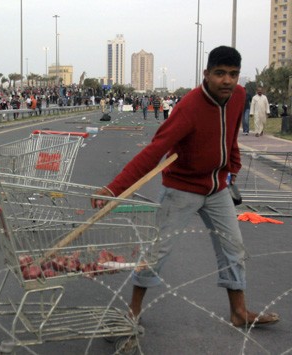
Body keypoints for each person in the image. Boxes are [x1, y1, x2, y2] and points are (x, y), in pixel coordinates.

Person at [91, 46, 280, 328]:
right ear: (206, 74)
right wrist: (115, 188)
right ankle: (134, 309)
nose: (227, 81)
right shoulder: (188, 108)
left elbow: (230, 138)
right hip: (181, 189)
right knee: (157, 252)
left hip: (216, 189)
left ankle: (239, 312)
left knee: (234, 249)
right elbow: (154, 152)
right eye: (220, 74)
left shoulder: (238, 96)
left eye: (233, 74)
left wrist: (233, 169)